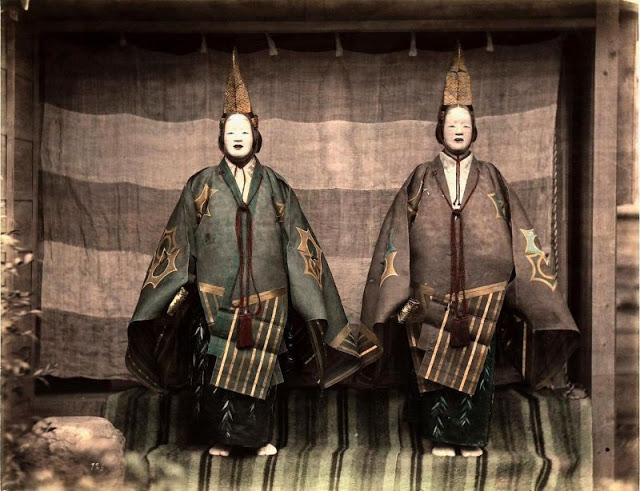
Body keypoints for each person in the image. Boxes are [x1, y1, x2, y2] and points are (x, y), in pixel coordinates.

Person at [126, 50, 380, 457]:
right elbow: (178, 243)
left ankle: (259, 438)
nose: (238, 137)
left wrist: (310, 301)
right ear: (221, 137)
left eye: (244, 131)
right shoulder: (200, 185)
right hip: (214, 297)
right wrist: (174, 292)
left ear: (256, 135)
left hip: (269, 298)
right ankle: (222, 439)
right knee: (215, 370)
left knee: (264, 372)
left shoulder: (277, 187)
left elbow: (300, 245)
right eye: (231, 131)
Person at [360, 44, 579, 457]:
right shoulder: (421, 177)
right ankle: (441, 438)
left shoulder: (491, 176)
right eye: (451, 124)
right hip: (428, 295)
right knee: (431, 367)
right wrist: (396, 291)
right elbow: (396, 232)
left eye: (465, 124)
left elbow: (519, 230)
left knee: (477, 371)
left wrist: (517, 281)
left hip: (483, 296)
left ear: (474, 130)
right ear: (439, 129)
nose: (458, 130)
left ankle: (470, 439)